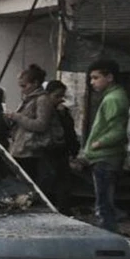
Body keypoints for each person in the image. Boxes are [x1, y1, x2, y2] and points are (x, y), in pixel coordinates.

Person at [79, 59, 129, 232]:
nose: (92, 82)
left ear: (110, 77)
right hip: (105, 156)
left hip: (105, 157)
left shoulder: (114, 99)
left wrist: (97, 144)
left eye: (95, 77)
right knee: (105, 201)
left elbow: (118, 131)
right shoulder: (114, 96)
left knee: (103, 205)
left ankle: (109, 239)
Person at [5, 64, 54, 183]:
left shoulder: (42, 99)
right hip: (21, 148)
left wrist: (18, 117)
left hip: (31, 150)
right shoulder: (29, 99)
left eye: (24, 86)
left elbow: (41, 125)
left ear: (35, 83)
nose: (22, 90)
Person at [44, 80, 78, 214]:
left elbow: (69, 132)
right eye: (56, 96)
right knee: (49, 181)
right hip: (48, 151)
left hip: (61, 151)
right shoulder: (45, 112)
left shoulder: (63, 112)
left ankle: (63, 209)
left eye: (61, 96)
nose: (60, 100)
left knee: (63, 182)